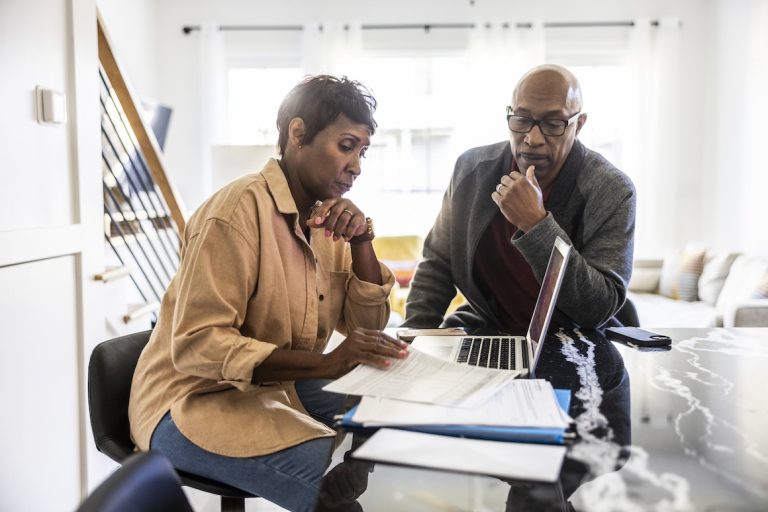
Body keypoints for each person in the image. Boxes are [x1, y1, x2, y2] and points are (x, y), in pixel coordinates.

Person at [128, 75, 409, 512]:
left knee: (383, 414)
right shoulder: (235, 214)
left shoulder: (326, 221)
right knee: (324, 478)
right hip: (188, 402)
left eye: (362, 151)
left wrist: (362, 241)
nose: (356, 166)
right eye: (346, 145)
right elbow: (198, 345)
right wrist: (328, 362)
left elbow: (366, 329)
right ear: (298, 135)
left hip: (271, 384)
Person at [403, 64, 636, 331]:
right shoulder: (472, 170)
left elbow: (597, 307)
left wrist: (537, 226)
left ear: (578, 125)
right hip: (489, 330)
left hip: (576, 340)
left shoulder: (612, 189)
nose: (533, 138)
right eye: (522, 120)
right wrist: (412, 340)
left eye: (552, 124)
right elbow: (438, 264)